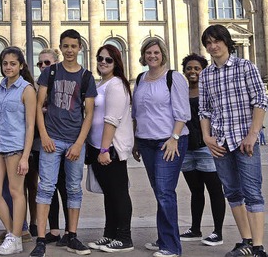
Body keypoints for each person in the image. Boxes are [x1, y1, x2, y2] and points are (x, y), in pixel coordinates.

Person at [199, 25, 267, 257]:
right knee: (232, 192)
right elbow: (204, 110)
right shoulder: (206, 74)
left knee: (252, 192)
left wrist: (253, 134)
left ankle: (258, 247)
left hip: (244, 140)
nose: (212, 46)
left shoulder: (245, 66)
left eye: (216, 41)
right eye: (208, 42)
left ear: (226, 42)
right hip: (220, 142)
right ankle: (245, 241)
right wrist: (207, 137)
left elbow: (260, 100)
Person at [30, 29, 97, 257]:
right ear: (61, 48)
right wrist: (45, 136)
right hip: (52, 140)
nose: (69, 50)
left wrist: (79, 144)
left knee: (73, 189)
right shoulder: (49, 73)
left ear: (79, 48)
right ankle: (41, 239)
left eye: (73, 46)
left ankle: (73, 235)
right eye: (66, 46)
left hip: (74, 141)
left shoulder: (86, 77)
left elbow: (89, 114)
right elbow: (38, 107)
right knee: (46, 188)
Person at [132, 38, 190, 257]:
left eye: (156, 52)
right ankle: (163, 238)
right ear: (143, 55)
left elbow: (183, 112)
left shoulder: (173, 78)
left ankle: (172, 247)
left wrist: (174, 137)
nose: (152, 56)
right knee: (159, 192)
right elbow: (137, 113)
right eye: (148, 52)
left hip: (168, 142)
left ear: (163, 54)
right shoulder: (140, 79)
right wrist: (137, 140)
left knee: (165, 192)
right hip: (146, 142)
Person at [0, 46, 36, 255]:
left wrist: (25, 156)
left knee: (15, 192)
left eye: (13, 63)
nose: (8, 67)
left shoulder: (27, 89)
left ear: (21, 66)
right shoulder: (0, 88)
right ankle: (13, 234)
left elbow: (31, 126)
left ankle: (16, 237)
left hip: (15, 146)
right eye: (5, 63)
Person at [86, 45, 134, 252]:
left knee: (119, 193)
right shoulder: (100, 84)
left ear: (116, 63)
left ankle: (124, 238)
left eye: (108, 60)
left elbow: (111, 119)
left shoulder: (116, 85)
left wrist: (105, 149)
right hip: (98, 147)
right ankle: (109, 234)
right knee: (109, 193)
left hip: (111, 148)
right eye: (100, 58)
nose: (103, 62)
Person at [178, 53, 226, 247]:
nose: (192, 71)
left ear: (203, 70)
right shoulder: (180, 93)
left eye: (197, 68)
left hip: (207, 148)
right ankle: (195, 229)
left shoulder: (210, 91)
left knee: (215, 190)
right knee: (195, 191)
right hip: (187, 148)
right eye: (189, 68)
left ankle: (218, 232)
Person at [36, 49, 70, 245]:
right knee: (49, 187)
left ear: (56, 64)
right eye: (40, 63)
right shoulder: (39, 86)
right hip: (44, 144)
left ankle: (68, 231)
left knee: (65, 187)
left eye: (47, 63)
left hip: (63, 142)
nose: (42, 67)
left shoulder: (62, 84)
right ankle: (54, 230)